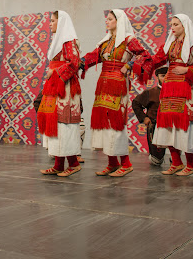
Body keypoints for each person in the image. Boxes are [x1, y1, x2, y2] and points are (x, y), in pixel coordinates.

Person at [80, 9, 153, 177]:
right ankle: (112, 163)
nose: (107, 21)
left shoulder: (128, 40)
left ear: (118, 21)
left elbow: (145, 56)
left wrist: (129, 65)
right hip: (104, 84)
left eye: (110, 19)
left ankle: (126, 164)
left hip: (119, 85)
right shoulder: (105, 42)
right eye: (107, 19)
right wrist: (78, 63)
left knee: (116, 123)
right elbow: (93, 57)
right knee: (104, 123)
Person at [135, 14, 193, 176]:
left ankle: (191, 164)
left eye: (176, 24)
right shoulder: (169, 44)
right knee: (167, 125)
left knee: (184, 126)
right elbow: (157, 59)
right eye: (172, 24)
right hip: (169, 87)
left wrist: (187, 70)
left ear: (184, 26)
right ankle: (176, 162)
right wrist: (142, 61)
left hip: (185, 86)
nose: (172, 28)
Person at [37, 11, 83, 177]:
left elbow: (75, 63)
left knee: (65, 125)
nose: (50, 24)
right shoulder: (58, 41)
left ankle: (74, 164)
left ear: (61, 22)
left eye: (53, 21)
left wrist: (55, 71)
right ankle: (58, 164)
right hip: (55, 86)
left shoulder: (69, 42)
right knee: (55, 124)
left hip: (66, 88)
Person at [132, 67, 168, 166]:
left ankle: (176, 161)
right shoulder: (150, 92)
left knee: (176, 153)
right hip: (155, 126)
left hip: (171, 126)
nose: (166, 78)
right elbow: (136, 103)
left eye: (168, 76)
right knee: (157, 160)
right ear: (157, 77)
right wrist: (144, 118)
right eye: (163, 76)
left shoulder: (176, 92)